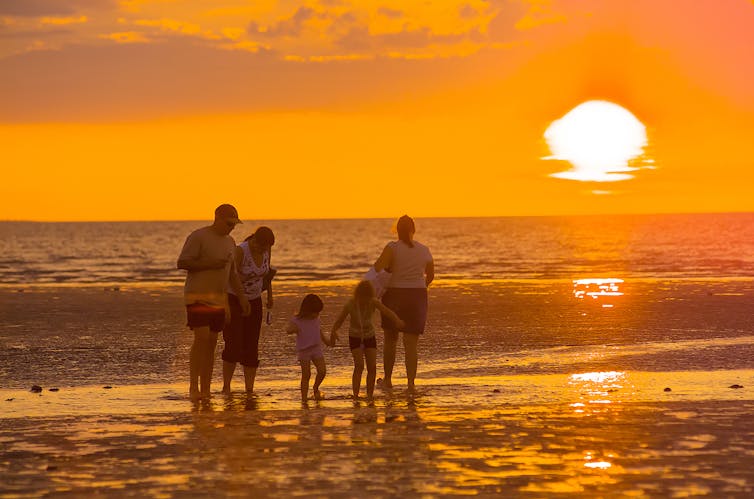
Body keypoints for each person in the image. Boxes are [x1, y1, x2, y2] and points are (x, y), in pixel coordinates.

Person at [177, 204, 251, 401]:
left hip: (219, 298)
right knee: (201, 338)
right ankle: (193, 386)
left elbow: (232, 274)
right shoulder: (198, 236)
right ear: (217, 218)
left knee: (211, 342)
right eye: (228, 223)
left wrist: (242, 297)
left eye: (234, 224)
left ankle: (206, 388)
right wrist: (209, 264)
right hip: (197, 295)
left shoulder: (230, 242)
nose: (231, 227)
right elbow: (182, 262)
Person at [373, 215, 434, 392]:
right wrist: (420, 287)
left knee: (391, 340)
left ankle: (388, 380)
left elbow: (378, 268)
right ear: (413, 230)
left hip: (394, 294)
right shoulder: (424, 250)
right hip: (417, 295)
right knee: (411, 344)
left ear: (396, 230)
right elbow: (430, 276)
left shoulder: (392, 248)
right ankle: (410, 384)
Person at [221, 226, 275, 395]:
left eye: (266, 247)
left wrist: (270, 295)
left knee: (252, 345)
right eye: (261, 246)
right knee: (233, 343)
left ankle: (249, 389)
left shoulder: (267, 249)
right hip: (234, 299)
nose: (263, 250)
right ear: (254, 241)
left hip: (255, 300)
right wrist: (240, 298)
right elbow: (230, 275)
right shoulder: (241, 251)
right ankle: (226, 386)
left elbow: (266, 274)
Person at [330, 280, 404, 401]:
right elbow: (339, 320)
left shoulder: (372, 301)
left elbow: (386, 311)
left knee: (372, 367)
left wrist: (397, 320)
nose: (364, 301)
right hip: (355, 337)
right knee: (359, 365)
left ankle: (370, 396)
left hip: (370, 336)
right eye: (362, 298)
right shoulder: (350, 304)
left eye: (367, 298)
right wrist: (334, 332)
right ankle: (355, 395)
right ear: (357, 296)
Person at [286, 294, 330, 402]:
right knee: (306, 375)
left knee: (322, 371)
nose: (316, 315)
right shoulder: (297, 320)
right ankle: (304, 399)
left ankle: (315, 387)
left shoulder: (316, 318)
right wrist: (292, 329)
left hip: (316, 348)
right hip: (304, 350)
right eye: (315, 312)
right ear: (307, 310)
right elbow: (288, 329)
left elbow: (319, 331)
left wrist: (326, 341)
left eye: (318, 312)